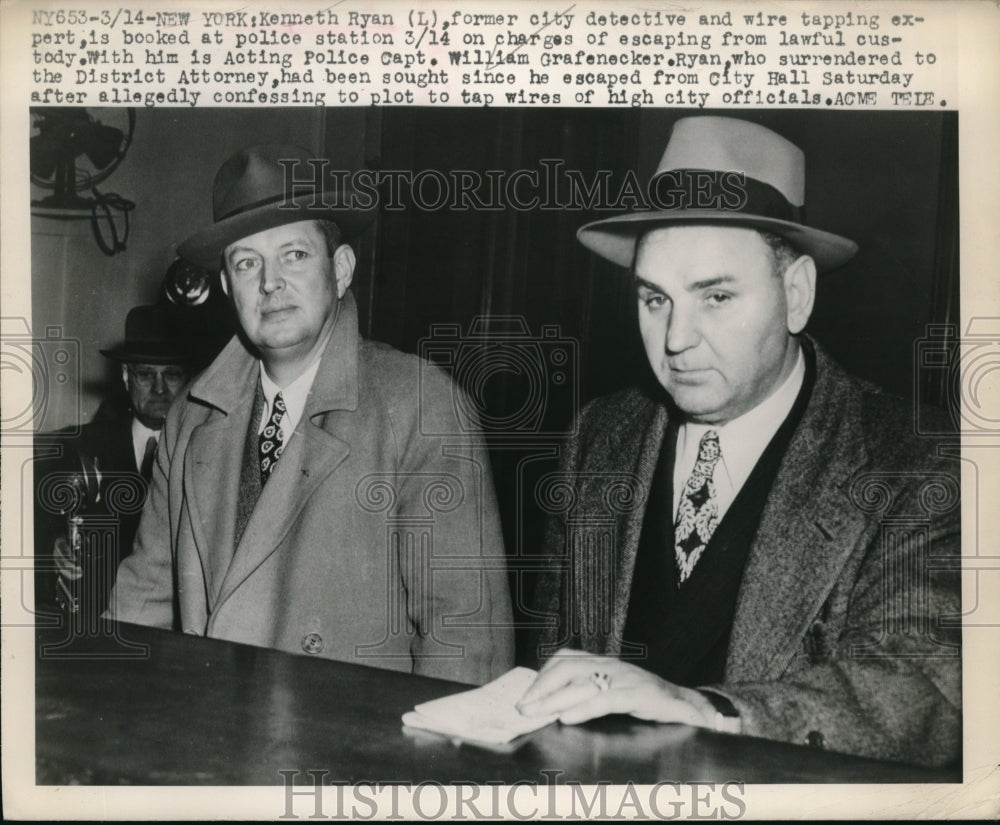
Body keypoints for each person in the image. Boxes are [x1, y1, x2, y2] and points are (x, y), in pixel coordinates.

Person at [519, 117, 960, 768]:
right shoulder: (600, 435)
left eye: (716, 296)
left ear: (797, 293)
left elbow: (925, 690)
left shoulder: (913, 460)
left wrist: (711, 711)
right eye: (654, 299)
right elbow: (554, 666)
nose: (674, 339)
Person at [106, 144, 514, 685]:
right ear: (228, 288)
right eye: (247, 263)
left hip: (347, 753)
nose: (270, 282)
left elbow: (465, 639)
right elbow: (142, 601)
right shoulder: (189, 420)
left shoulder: (417, 405)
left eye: (293, 254)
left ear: (340, 269)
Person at [35, 304, 192, 621]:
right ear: (125, 377)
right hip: (93, 619)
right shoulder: (81, 445)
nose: (159, 389)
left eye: (171, 375)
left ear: (189, 380)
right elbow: (38, 518)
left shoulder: (203, 453)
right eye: (146, 375)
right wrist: (54, 545)